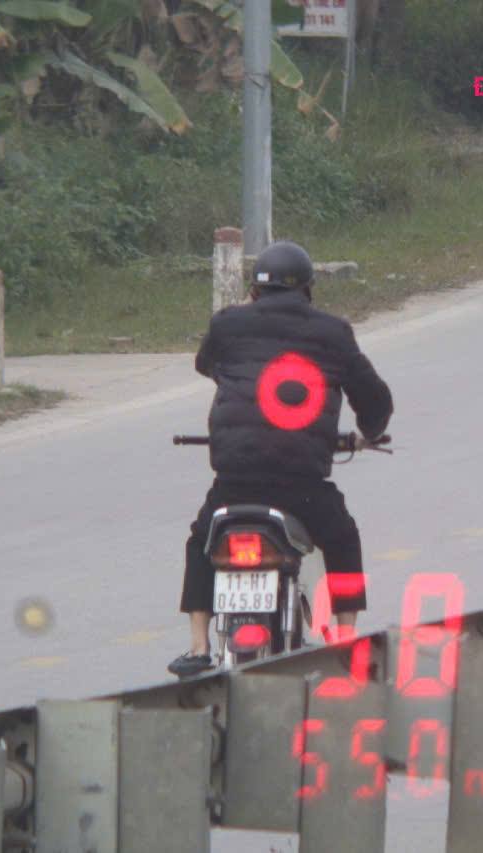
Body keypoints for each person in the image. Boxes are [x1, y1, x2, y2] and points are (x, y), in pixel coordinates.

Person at [168, 240, 394, 677]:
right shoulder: (332, 333)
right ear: (308, 290)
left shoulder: (227, 325)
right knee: (342, 538)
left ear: (254, 290)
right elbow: (374, 398)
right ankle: (346, 641)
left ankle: (197, 647)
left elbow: (206, 366)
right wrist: (371, 432)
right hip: (300, 482)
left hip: (236, 477)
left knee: (202, 540)